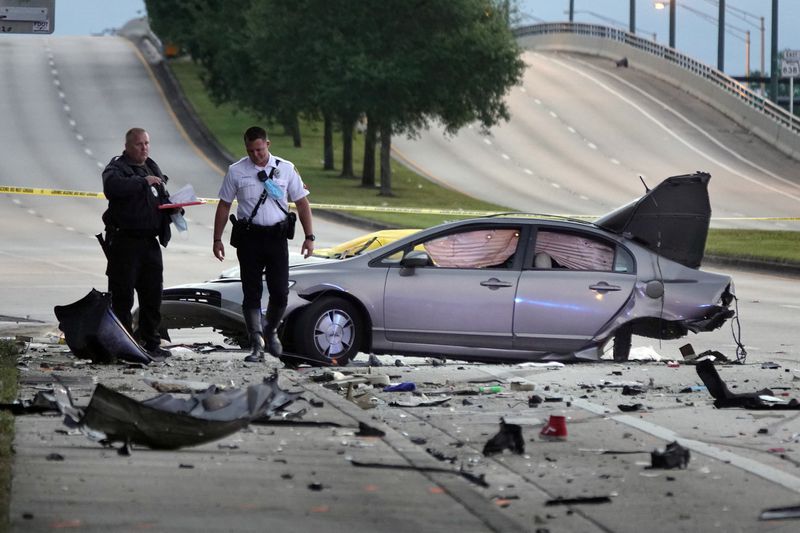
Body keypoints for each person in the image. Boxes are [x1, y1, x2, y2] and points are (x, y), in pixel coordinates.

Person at [213, 126, 315, 363]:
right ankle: (256, 343)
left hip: (276, 238)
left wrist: (309, 237)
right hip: (250, 239)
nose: (256, 155)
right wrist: (217, 239)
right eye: (250, 151)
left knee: (280, 292)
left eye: (259, 149)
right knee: (252, 293)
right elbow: (224, 205)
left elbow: (302, 203)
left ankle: (270, 330)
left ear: (267, 145)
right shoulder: (236, 171)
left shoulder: (285, 169)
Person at [101, 127, 177, 360]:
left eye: (146, 143)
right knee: (122, 297)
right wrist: (143, 182)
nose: (144, 148)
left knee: (152, 296)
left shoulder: (152, 166)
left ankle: (150, 342)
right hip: (125, 242)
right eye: (138, 144)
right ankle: (123, 345)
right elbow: (112, 189)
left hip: (149, 242)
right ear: (127, 147)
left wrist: (174, 207)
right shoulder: (116, 169)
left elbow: (162, 196)